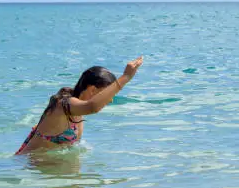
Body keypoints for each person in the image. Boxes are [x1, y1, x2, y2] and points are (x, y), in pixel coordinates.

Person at [15, 56, 144, 155]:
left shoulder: (77, 111)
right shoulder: (63, 105)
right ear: (92, 89)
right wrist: (126, 76)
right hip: (32, 171)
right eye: (107, 94)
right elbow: (92, 107)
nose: (109, 100)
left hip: (53, 175)